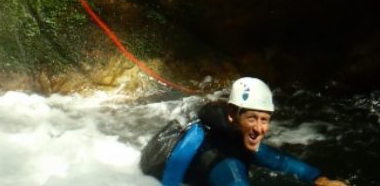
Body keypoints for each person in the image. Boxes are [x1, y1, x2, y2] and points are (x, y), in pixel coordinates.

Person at [140, 77, 348, 186]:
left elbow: (279, 161)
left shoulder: (230, 134)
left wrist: (319, 179)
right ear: (232, 114)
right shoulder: (227, 163)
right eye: (252, 119)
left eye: (264, 120)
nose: (259, 129)